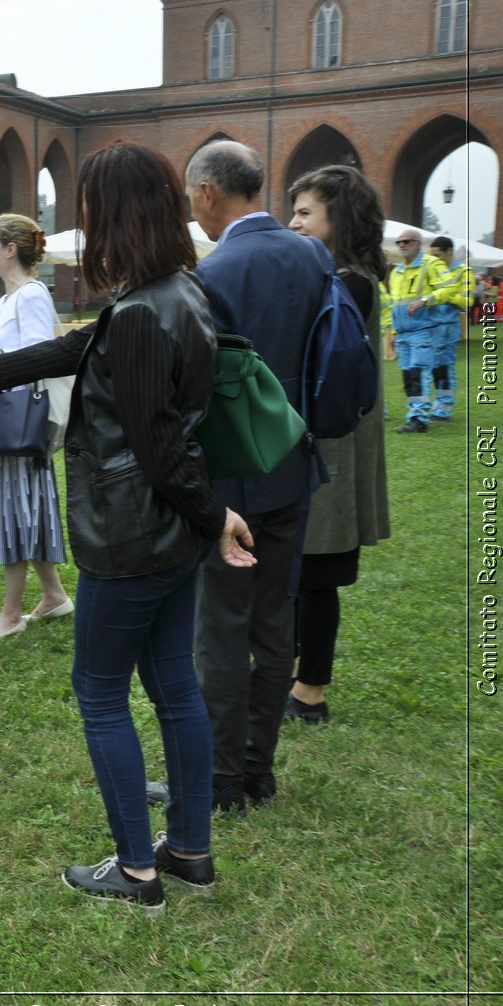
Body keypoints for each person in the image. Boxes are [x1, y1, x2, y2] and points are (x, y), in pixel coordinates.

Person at [0, 142, 256, 915]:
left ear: (115, 214)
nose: (83, 221)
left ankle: (139, 870)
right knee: (173, 681)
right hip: (166, 534)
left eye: (89, 207)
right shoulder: (175, 291)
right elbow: (82, 347)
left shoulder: (148, 309)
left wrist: (217, 519)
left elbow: (162, 447)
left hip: (132, 536)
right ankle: (190, 850)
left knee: (101, 691)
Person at [186, 139, 332, 813]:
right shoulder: (312, 256)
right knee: (275, 625)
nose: (193, 208)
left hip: (232, 482)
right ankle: (258, 771)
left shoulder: (215, 272)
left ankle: (222, 782)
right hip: (292, 467)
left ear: (210, 192)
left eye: (192, 196)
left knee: (221, 631)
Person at [283, 165, 392, 724]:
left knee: (318, 575)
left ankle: (310, 693)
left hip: (334, 444)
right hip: (330, 440)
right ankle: (297, 679)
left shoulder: (347, 281)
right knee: (304, 573)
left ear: (337, 217)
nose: (293, 223)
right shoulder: (345, 276)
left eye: (305, 213)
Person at [0, 214, 71, 639]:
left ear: (10, 250)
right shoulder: (6, 300)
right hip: (7, 423)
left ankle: (10, 613)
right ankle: (55, 596)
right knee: (28, 508)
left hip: (18, 425)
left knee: (15, 511)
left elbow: (41, 355)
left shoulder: (32, 294)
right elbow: (6, 350)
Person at [387, 226, 451, 433]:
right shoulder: (396, 271)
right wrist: (395, 333)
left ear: (417, 244)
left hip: (423, 330)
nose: (402, 245)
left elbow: (449, 287)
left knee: (418, 373)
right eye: (399, 242)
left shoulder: (430, 264)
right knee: (408, 376)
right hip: (404, 333)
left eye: (406, 241)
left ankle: (419, 418)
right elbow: (395, 304)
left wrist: (425, 300)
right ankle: (415, 415)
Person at [427, 235, 471, 421]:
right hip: (431, 325)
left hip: (447, 326)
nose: (435, 259)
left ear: (449, 251)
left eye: (438, 255)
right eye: (433, 255)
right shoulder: (433, 270)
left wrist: (445, 295)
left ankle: (444, 408)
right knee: (434, 367)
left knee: (444, 367)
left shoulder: (464, 272)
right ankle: (439, 404)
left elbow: (467, 301)